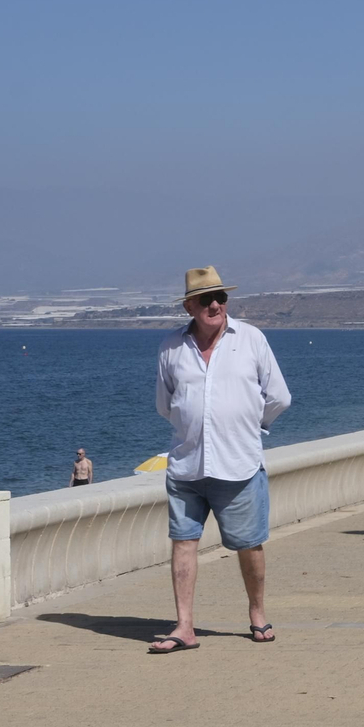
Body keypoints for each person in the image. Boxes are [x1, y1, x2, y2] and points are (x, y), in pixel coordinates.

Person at [151, 266, 291, 653]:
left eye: (221, 298)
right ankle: (184, 627)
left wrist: (249, 426)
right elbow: (165, 404)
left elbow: (279, 397)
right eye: (205, 299)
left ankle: (257, 614)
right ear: (188, 306)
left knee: (250, 545)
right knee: (183, 543)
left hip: (239, 464)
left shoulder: (251, 339)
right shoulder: (171, 347)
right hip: (187, 465)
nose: (215, 305)